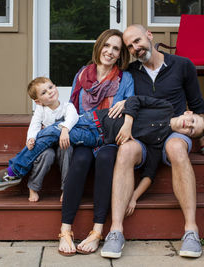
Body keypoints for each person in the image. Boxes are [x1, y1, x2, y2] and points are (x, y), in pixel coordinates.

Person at [100, 24, 204, 259]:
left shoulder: (182, 65)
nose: (135, 48)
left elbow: (198, 109)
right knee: (125, 151)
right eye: (130, 46)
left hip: (173, 130)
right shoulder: (130, 71)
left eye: (137, 41)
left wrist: (203, 144)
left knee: (176, 147)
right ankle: (115, 231)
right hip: (143, 133)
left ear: (149, 35)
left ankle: (191, 230)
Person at [0, 95, 204, 197]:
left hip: (98, 139)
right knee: (51, 133)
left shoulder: (160, 141)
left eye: (191, 131)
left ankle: (14, 172)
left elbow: (150, 173)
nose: (188, 126)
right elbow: (134, 101)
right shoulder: (166, 107)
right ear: (188, 113)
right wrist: (128, 123)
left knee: (52, 132)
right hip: (94, 119)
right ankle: (14, 171)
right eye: (193, 122)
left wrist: (135, 197)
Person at [58, 29, 134, 256]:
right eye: (107, 46)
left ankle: (98, 230)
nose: (110, 52)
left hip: (109, 137)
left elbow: (133, 104)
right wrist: (65, 129)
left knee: (105, 158)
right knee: (80, 160)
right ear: (99, 46)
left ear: (120, 55)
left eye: (116, 49)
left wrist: (127, 110)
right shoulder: (82, 74)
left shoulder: (125, 78)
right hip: (84, 134)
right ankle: (65, 229)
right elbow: (72, 108)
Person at [0, 77, 78, 202]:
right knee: (46, 155)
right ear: (38, 102)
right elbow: (35, 125)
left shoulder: (67, 106)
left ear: (55, 86)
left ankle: (67, 189)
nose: (49, 92)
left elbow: (73, 117)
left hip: (63, 141)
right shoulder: (41, 110)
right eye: (43, 92)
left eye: (50, 87)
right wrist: (31, 138)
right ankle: (33, 187)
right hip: (46, 146)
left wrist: (65, 129)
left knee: (67, 150)